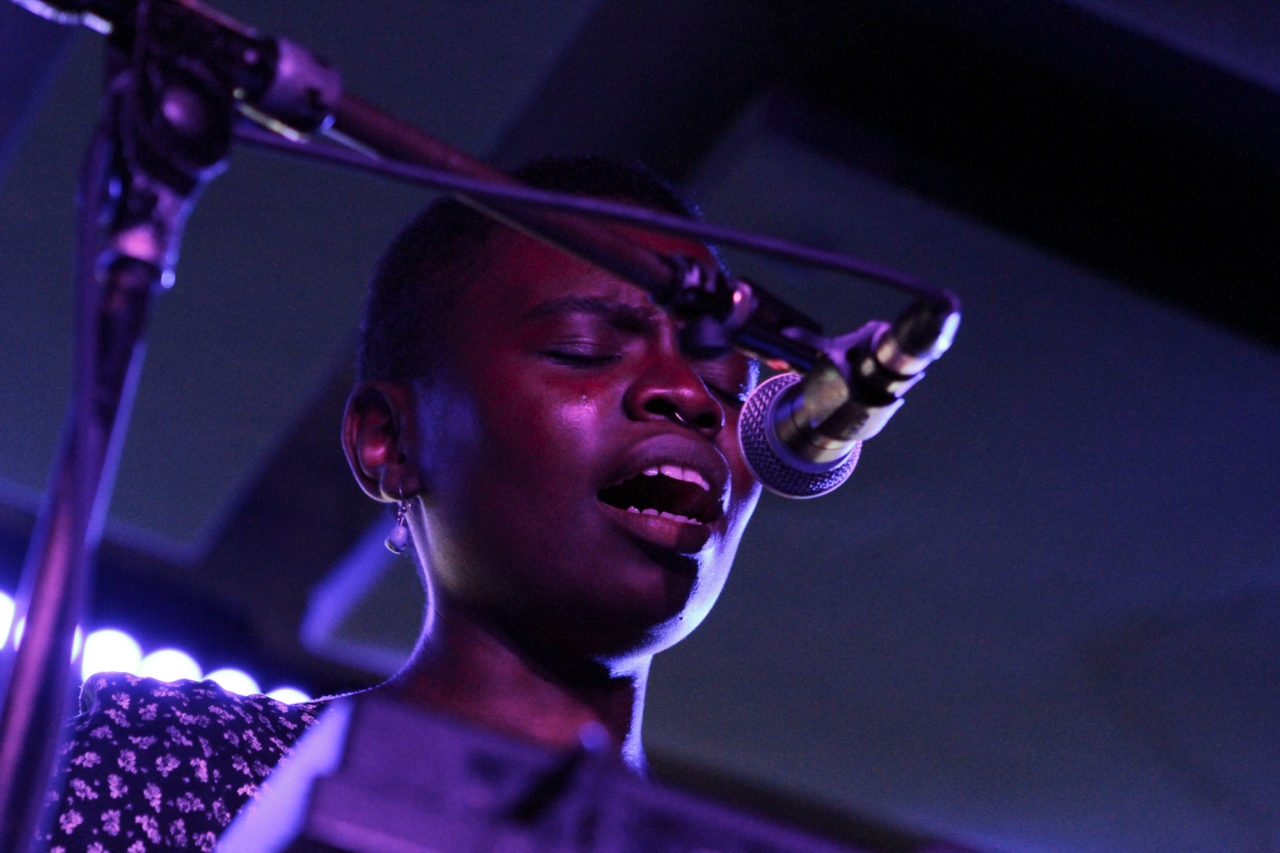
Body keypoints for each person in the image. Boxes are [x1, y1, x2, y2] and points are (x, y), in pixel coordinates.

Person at [37, 156, 762, 851]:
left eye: (730, 384)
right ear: (389, 441)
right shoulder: (174, 758)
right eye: (584, 347)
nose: (692, 397)